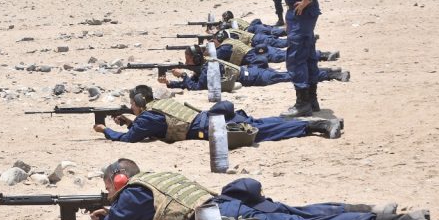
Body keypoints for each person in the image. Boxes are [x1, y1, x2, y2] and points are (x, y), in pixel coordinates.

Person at [57, 158, 429, 220]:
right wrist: (113, 211)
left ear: (118, 180)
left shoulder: (133, 193)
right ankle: (369, 208)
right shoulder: (152, 181)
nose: (109, 191)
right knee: (298, 211)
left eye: (109, 186)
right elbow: (140, 213)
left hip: (223, 219)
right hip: (227, 204)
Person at [94, 86, 342, 142]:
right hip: (214, 118)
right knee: (262, 124)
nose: (131, 107)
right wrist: (130, 121)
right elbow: (154, 127)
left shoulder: (148, 117)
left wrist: (107, 130)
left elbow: (130, 139)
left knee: (265, 132)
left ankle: (315, 126)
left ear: (139, 103)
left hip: (213, 127)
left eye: (132, 105)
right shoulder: (159, 107)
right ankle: (313, 122)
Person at [164, 46, 348, 91]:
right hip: (253, 71)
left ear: (196, 59)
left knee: (291, 76)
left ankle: (330, 74)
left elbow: (198, 86)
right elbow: (195, 81)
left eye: (187, 59)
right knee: (289, 75)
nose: (186, 62)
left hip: (257, 76)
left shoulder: (208, 68)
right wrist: (171, 83)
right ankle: (328, 72)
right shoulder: (205, 66)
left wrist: (183, 76)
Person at [208, 29, 338, 67]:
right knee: (287, 50)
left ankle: (322, 55)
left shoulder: (224, 47)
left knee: (287, 52)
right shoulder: (229, 39)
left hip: (259, 53)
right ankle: (322, 53)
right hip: (259, 50)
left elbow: (215, 58)